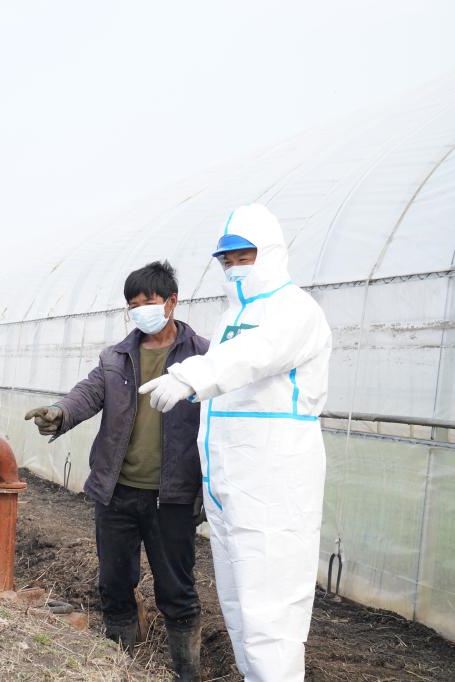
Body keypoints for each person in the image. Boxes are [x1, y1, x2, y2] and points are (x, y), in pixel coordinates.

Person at [139, 204, 332, 681]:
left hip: (274, 484)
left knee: (271, 604)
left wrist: (190, 374)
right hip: (231, 485)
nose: (234, 268)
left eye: (244, 256)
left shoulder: (294, 310)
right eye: (227, 260)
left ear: (271, 252)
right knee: (239, 600)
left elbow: (256, 355)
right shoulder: (232, 316)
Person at [25, 261, 209, 681]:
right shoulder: (117, 357)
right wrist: (60, 411)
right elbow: (89, 392)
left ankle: (188, 674)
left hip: (172, 495)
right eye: (133, 304)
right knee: (113, 584)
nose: (141, 310)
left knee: (176, 590)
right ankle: (119, 669)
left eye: (148, 301)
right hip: (117, 492)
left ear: (172, 301)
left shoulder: (203, 355)